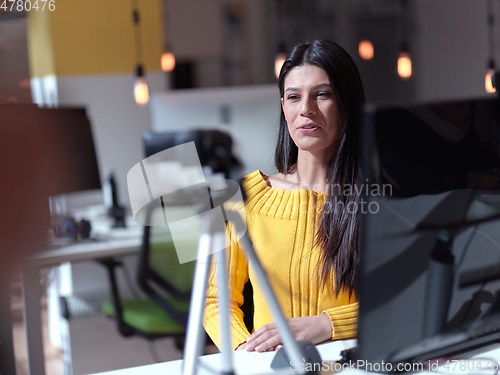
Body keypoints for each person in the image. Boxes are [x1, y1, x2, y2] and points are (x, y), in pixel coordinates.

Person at [203, 39, 365, 352]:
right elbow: (214, 300)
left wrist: (326, 325)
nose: (306, 109)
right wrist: (244, 353)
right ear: (283, 107)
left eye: (322, 94)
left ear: (347, 103)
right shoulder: (244, 195)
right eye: (294, 97)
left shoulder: (378, 196)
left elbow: (408, 297)